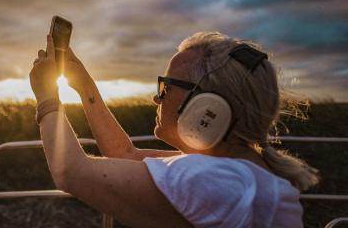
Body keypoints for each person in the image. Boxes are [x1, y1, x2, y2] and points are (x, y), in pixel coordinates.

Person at [29, 32, 319, 227]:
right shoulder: (238, 172)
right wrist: (84, 85)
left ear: (208, 108)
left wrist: (46, 95)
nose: (157, 98)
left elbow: (70, 172)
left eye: (166, 87)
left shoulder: (215, 180)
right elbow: (125, 154)